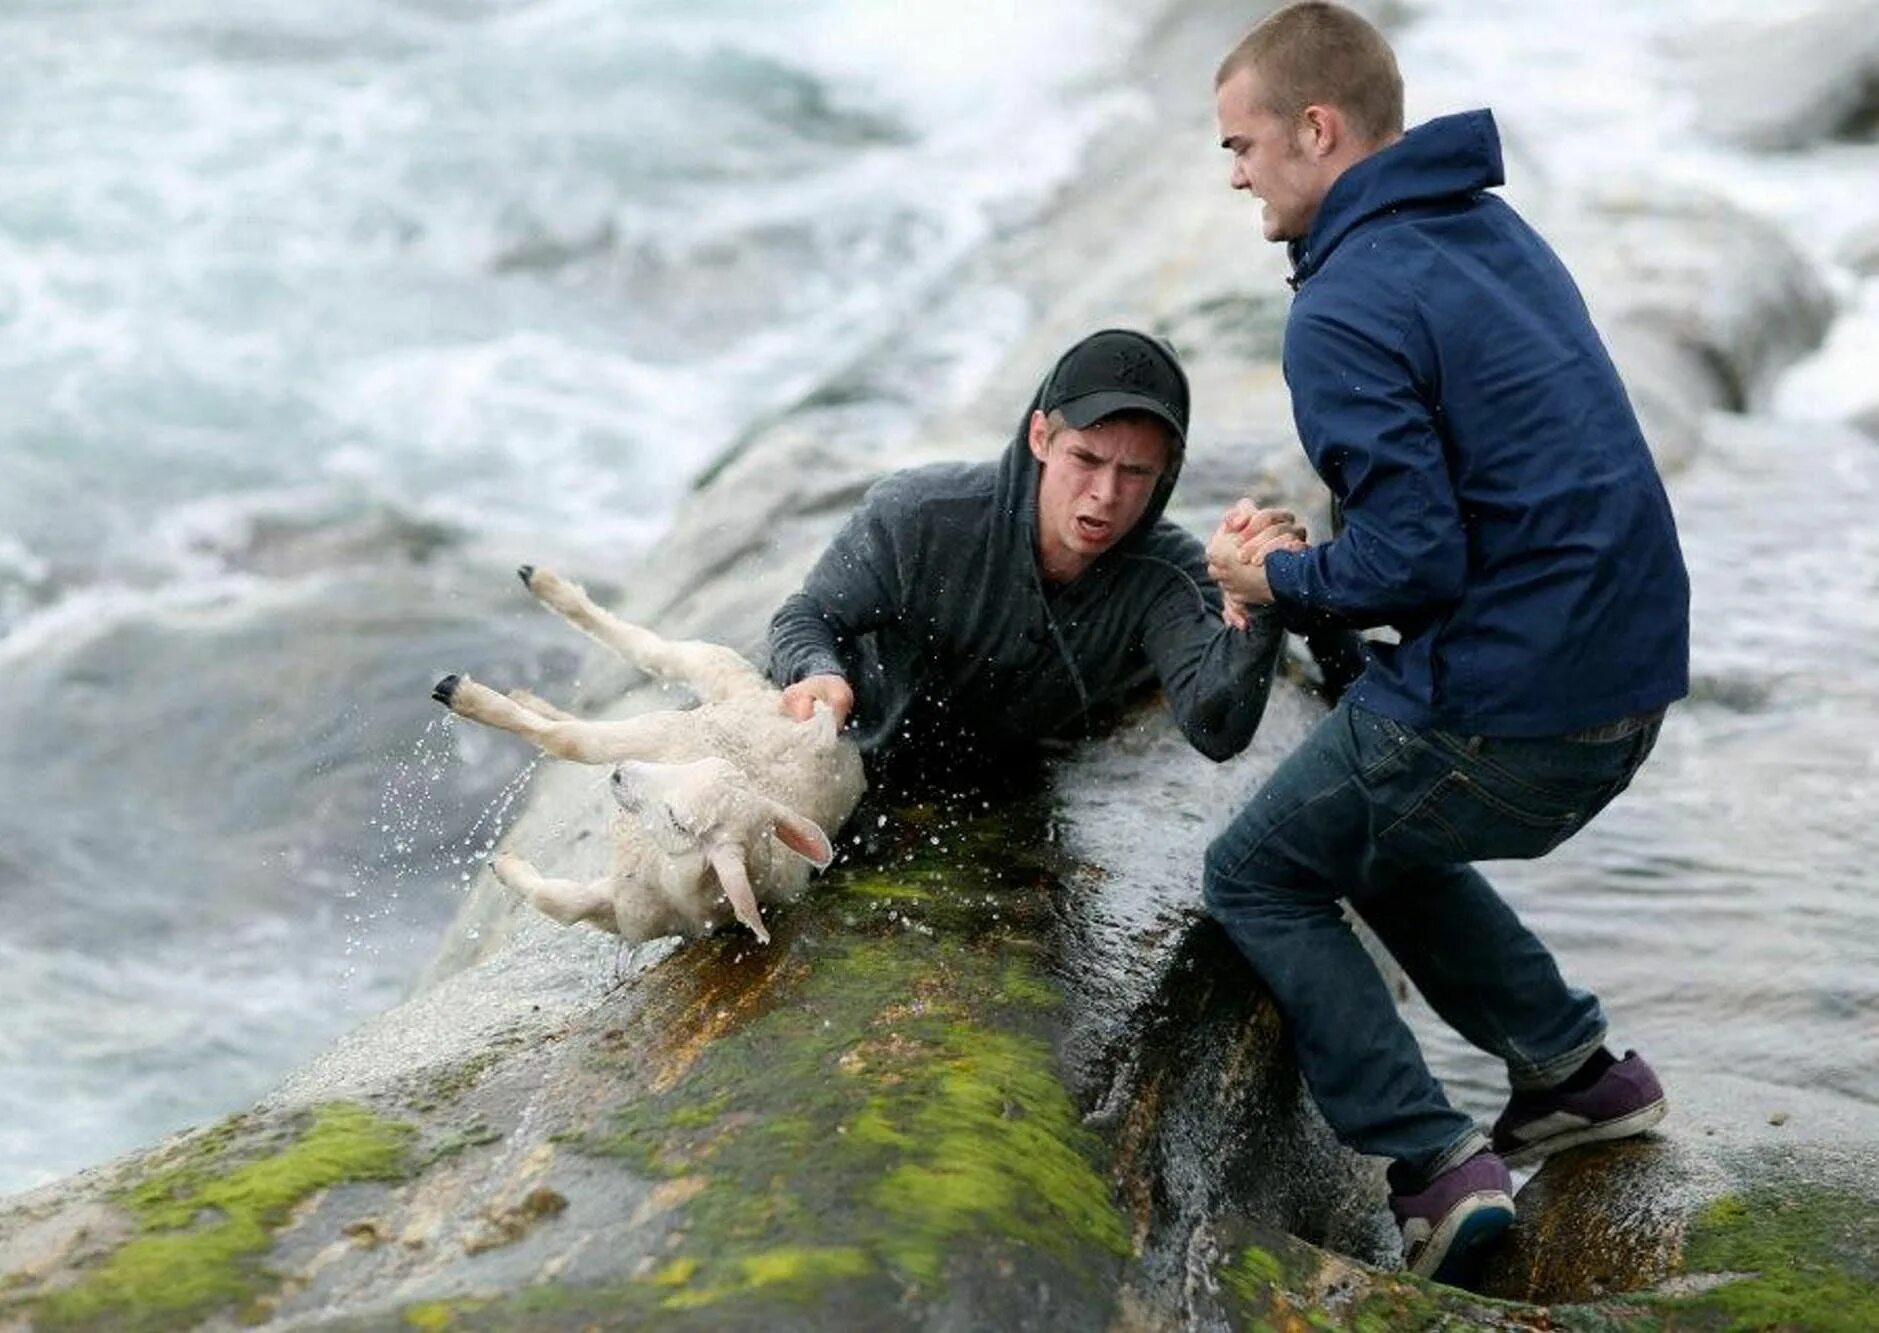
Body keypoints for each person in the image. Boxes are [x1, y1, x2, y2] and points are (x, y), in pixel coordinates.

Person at [1199, 1, 1691, 1287]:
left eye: (1243, 145)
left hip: (1515, 707)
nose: (1236, 174)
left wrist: (1277, 573)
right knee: (1365, 814)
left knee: (1257, 868)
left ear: (1318, 128)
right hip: (1623, 687)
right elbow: (1470, 502)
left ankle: (1430, 1165)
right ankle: (1576, 1075)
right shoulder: (1487, 230)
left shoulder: (1343, 301)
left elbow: (1415, 561)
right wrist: (1332, 557)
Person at [767, 327, 1358, 796]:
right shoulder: (920, 516)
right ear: (1041, 438)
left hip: (999, 783)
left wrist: (1260, 600)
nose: (1105, 494)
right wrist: (816, 671)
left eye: (1135, 473)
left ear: (1168, 471)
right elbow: (806, 615)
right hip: (853, 757)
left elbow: (1218, 729)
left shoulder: (1169, 576)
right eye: (1086, 458)